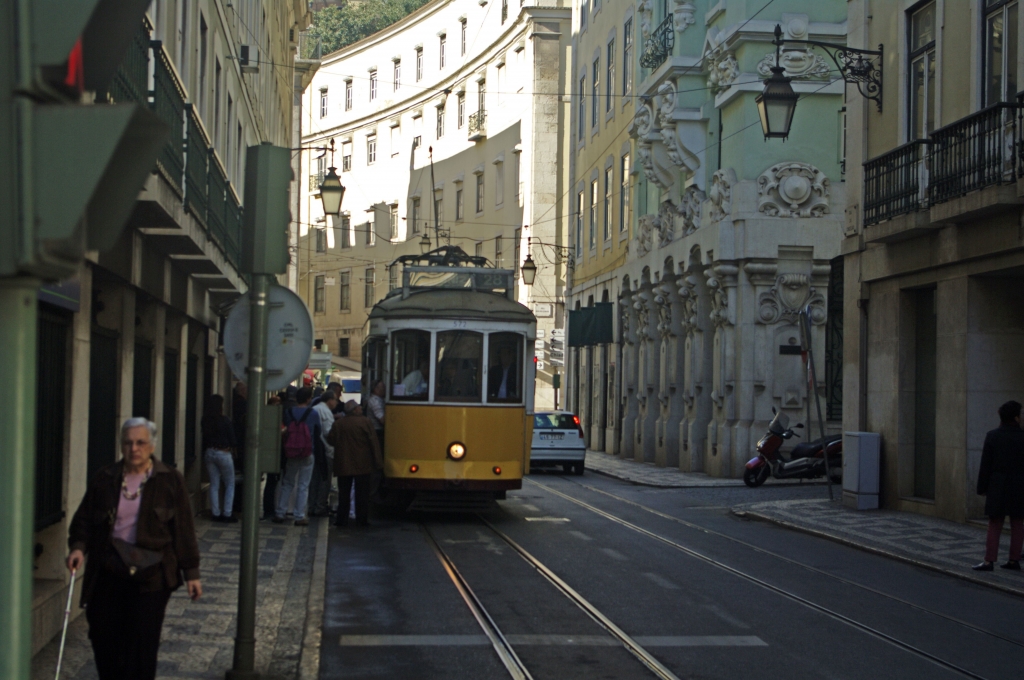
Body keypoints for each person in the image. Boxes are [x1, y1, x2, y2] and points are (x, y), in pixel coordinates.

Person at [67, 418, 201, 680]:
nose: (134, 449)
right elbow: (83, 520)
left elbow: (183, 529)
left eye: (140, 443)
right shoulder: (105, 478)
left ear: (152, 446)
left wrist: (192, 573)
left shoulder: (170, 480)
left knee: (141, 646)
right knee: (103, 635)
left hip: (152, 576)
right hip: (109, 569)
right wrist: (78, 548)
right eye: (128, 443)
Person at [974, 400, 1024, 571]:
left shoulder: (993, 436)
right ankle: (1014, 560)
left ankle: (989, 561)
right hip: (1019, 484)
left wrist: (982, 487)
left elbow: (985, 465)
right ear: (1016, 418)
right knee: (1018, 522)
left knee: (995, 522)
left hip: (998, 484)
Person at [328, 400, 383, 526]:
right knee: (362, 493)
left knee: (344, 493)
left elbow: (331, 439)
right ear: (354, 410)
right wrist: (378, 462)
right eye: (359, 407)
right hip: (363, 463)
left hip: (343, 463)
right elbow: (373, 442)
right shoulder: (365, 422)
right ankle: (361, 520)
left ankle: (342, 520)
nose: (361, 408)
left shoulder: (339, 423)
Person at [275, 386, 323, 526]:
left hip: (291, 451)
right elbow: (318, 431)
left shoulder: (288, 412)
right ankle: (299, 516)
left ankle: (280, 512)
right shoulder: (313, 413)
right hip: (307, 451)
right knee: (303, 485)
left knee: (287, 482)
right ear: (308, 399)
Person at [201, 395, 238, 523]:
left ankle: (215, 513)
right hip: (223, 453)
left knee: (214, 484)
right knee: (230, 483)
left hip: (209, 452)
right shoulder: (225, 420)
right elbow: (232, 439)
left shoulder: (205, 420)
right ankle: (227, 513)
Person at [309, 390, 339, 517]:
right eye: (335, 399)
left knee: (314, 479)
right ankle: (320, 507)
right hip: (326, 450)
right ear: (329, 400)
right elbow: (328, 432)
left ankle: (311, 506)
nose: (337, 402)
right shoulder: (326, 411)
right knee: (324, 480)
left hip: (314, 449)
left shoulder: (314, 408)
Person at [367, 379, 386, 448]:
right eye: (382, 387)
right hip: (377, 432)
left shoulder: (380, 400)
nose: (384, 389)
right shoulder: (374, 401)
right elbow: (382, 419)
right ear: (376, 389)